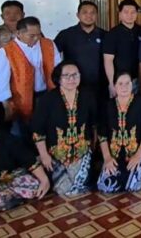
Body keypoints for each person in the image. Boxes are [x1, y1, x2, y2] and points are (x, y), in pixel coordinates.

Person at [31, 61, 97, 196]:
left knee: (75, 185)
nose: (71, 79)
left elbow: (95, 124)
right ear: (58, 78)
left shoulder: (88, 95)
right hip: (55, 154)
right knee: (64, 189)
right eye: (66, 75)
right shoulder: (48, 99)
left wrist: (93, 147)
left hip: (81, 152)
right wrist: (44, 155)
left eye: (75, 75)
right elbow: (38, 131)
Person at [0, 17, 61, 139]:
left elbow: (58, 69)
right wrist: (6, 105)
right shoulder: (5, 52)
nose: (36, 39)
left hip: (46, 94)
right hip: (19, 99)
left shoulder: (49, 44)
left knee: (46, 129)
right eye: (31, 36)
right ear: (18, 33)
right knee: (21, 133)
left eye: (38, 34)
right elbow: (2, 82)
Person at [97, 71, 141, 193]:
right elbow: (102, 135)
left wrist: (138, 156)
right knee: (106, 186)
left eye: (127, 83)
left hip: (135, 154)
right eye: (120, 84)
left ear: (132, 85)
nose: (124, 87)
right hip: (114, 157)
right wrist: (107, 158)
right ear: (114, 86)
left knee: (132, 186)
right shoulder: (108, 105)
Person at [54, 1, 107, 101]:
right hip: (73, 85)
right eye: (85, 12)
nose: (89, 16)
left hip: (101, 87)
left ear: (97, 15)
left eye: (92, 13)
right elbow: (52, 56)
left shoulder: (105, 35)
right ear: (78, 15)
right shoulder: (66, 34)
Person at [103, 0, 141, 97]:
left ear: (137, 14)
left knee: (138, 105)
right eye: (126, 12)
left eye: (133, 12)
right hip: (119, 81)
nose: (129, 15)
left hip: (138, 80)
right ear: (120, 14)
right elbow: (108, 60)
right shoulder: (112, 34)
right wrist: (111, 83)